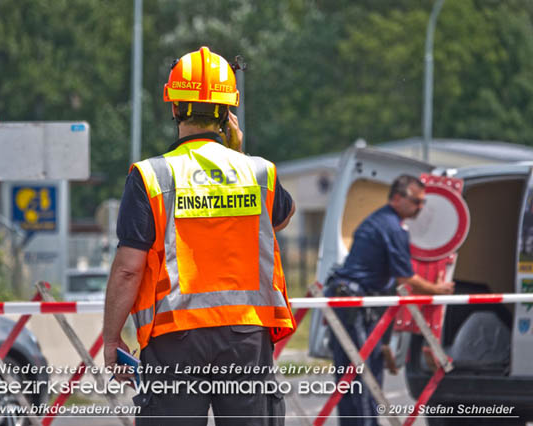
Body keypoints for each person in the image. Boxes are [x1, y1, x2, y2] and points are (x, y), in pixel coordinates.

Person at [102, 46, 296, 426]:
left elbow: (128, 270)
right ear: (227, 112)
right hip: (246, 335)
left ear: (174, 106)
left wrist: (111, 339)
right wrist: (240, 154)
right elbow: (281, 218)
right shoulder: (258, 173)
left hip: (175, 337)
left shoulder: (151, 177)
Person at [325, 174, 455, 426]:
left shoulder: (383, 222)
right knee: (362, 377)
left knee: (351, 375)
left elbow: (386, 287)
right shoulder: (392, 227)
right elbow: (405, 277)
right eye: (416, 201)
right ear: (397, 198)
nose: (420, 207)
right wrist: (437, 289)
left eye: (423, 202)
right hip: (355, 303)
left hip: (354, 302)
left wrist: (384, 342)